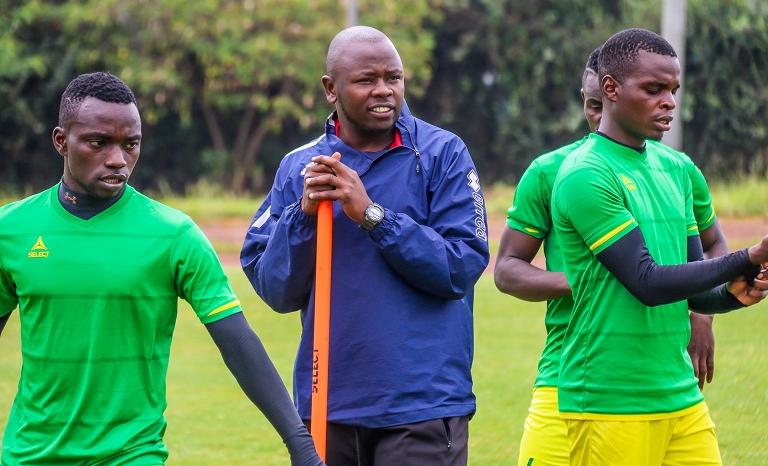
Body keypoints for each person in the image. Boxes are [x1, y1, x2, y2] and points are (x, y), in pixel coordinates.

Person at [0, 72, 324, 466]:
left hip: (132, 455)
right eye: (98, 143)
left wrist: (301, 446)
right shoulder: (11, 230)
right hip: (28, 455)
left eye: (130, 144)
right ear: (61, 141)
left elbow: (239, 344)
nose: (118, 159)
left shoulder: (174, 235)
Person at [241, 26, 489, 466]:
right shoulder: (300, 166)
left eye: (393, 78)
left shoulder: (443, 153)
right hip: (326, 405)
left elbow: (460, 266)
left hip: (421, 407)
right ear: (330, 89)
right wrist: (303, 214)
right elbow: (276, 289)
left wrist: (373, 216)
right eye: (366, 80)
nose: (384, 91)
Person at [494, 45, 728, 465]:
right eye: (591, 104)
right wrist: (585, 280)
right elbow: (507, 270)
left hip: (662, 373)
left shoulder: (677, 168)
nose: (597, 112)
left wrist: (702, 314)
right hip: (572, 368)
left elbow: (709, 247)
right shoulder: (555, 170)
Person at [550, 28, 768, 465]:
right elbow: (646, 282)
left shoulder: (676, 170)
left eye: (673, 89)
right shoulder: (585, 174)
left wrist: (732, 295)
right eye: (654, 89)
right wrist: (746, 257)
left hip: (681, 395)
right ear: (609, 89)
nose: (669, 101)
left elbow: (688, 287)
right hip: (610, 399)